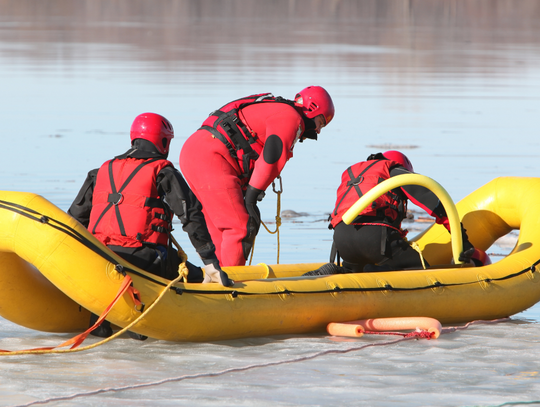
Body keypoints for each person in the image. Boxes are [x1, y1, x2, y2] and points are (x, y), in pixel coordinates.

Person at [68, 113, 233, 337]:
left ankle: (102, 322)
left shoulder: (100, 171)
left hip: (101, 259)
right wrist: (211, 263)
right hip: (145, 260)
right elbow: (191, 215)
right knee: (193, 275)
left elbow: (74, 219)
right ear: (163, 141)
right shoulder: (163, 170)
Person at [180, 86, 335, 267]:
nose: (318, 131)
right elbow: (272, 159)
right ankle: (231, 285)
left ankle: (215, 277)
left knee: (220, 231)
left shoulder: (276, 108)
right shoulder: (291, 118)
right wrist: (252, 198)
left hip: (195, 152)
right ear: (312, 109)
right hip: (212, 157)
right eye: (321, 123)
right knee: (240, 228)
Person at [311, 150, 476, 275]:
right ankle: (375, 270)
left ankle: (340, 271)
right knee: (418, 268)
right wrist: (463, 241)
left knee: (354, 273)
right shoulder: (395, 172)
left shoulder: (356, 174)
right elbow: (438, 206)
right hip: (374, 238)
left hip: (342, 239)